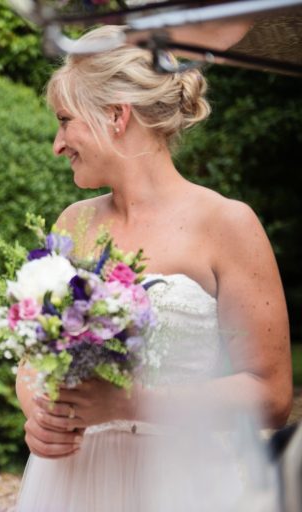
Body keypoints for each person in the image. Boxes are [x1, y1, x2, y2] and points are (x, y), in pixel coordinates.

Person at [16, 25, 293, 512]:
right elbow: (33, 359)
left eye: (65, 120)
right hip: (73, 482)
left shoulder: (226, 223)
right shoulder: (73, 223)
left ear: (116, 115)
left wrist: (131, 404)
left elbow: (269, 394)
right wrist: (37, 412)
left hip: (182, 482)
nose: (57, 144)